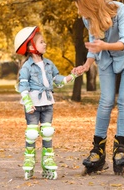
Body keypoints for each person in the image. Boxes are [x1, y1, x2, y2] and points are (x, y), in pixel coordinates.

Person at [72, 0, 124, 175]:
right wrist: (86, 65)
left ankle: (120, 150)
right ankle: (98, 151)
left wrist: (104, 45)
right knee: (105, 102)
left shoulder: (119, 9)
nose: (79, 12)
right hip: (106, 58)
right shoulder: (87, 19)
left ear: (89, 5)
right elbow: (94, 45)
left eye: (80, 7)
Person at [14, 26, 77, 180]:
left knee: (48, 132)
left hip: (47, 102)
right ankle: (29, 158)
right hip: (33, 105)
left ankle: (47, 160)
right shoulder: (27, 67)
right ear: (31, 46)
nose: (45, 44)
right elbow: (23, 86)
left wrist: (72, 75)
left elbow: (57, 79)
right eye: (42, 42)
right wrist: (28, 103)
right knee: (32, 133)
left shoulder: (48, 63)